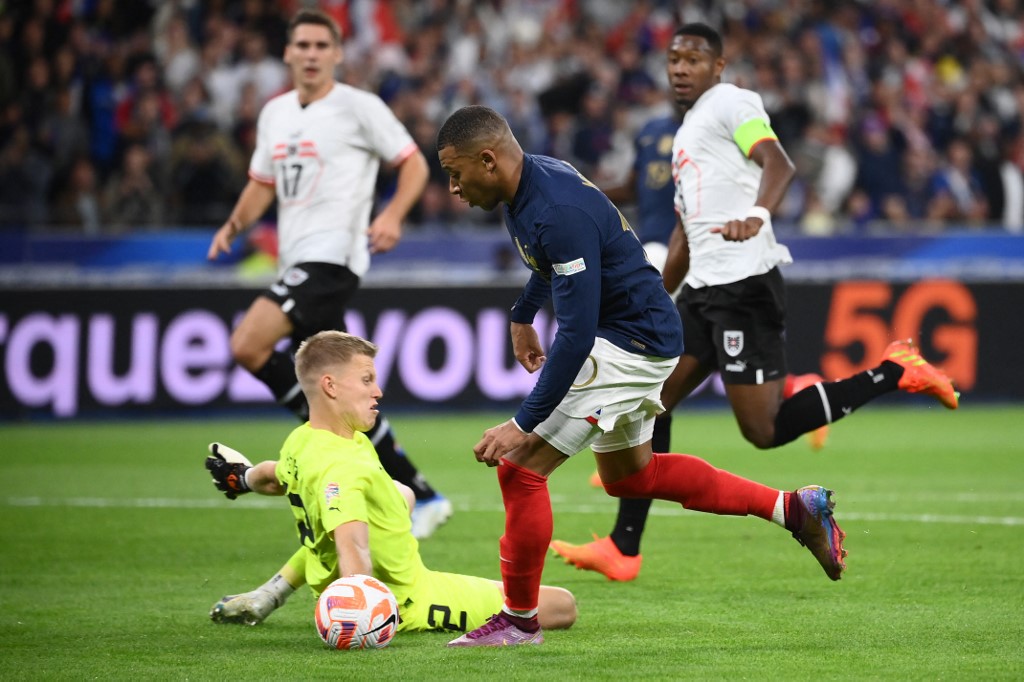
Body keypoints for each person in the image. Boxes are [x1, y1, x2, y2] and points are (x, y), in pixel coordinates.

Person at [549, 23, 960, 583]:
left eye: (694, 58)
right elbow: (684, 229)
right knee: (653, 401)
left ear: (718, 66)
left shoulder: (731, 103)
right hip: (700, 291)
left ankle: (896, 371)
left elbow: (779, 163)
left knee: (762, 431)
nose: (680, 67)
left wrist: (760, 214)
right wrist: (656, 295)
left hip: (745, 287)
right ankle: (626, 546)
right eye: (673, 58)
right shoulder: (686, 133)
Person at [435, 104, 848, 648]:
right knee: (633, 478)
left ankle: (517, 621)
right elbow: (547, 262)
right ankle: (793, 508)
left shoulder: (556, 208)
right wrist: (521, 313)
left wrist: (523, 422)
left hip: (625, 342)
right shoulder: (527, 185)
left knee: (520, 467)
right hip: (644, 335)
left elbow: (577, 338)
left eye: (455, 172)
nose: (453, 188)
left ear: (488, 160)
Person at [205, 9, 450, 539]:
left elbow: (413, 164)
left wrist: (389, 215)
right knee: (337, 386)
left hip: (332, 259)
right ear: (288, 53)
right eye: (303, 45)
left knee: (248, 344)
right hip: (297, 260)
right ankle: (420, 492)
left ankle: (331, 440)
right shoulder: (275, 114)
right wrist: (234, 223)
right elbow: (261, 183)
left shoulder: (360, 107)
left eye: (321, 45)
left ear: (337, 53)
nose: (311, 54)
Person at [202, 330, 578, 634]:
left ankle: (272, 593)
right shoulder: (343, 466)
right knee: (562, 605)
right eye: (366, 380)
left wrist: (244, 478)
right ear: (331, 386)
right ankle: (342, 605)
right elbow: (353, 550)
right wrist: (359, 611)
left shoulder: (303, 441)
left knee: (401, 495)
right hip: (409, 601)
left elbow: (277, 475)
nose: (377, 391)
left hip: (343, 582)